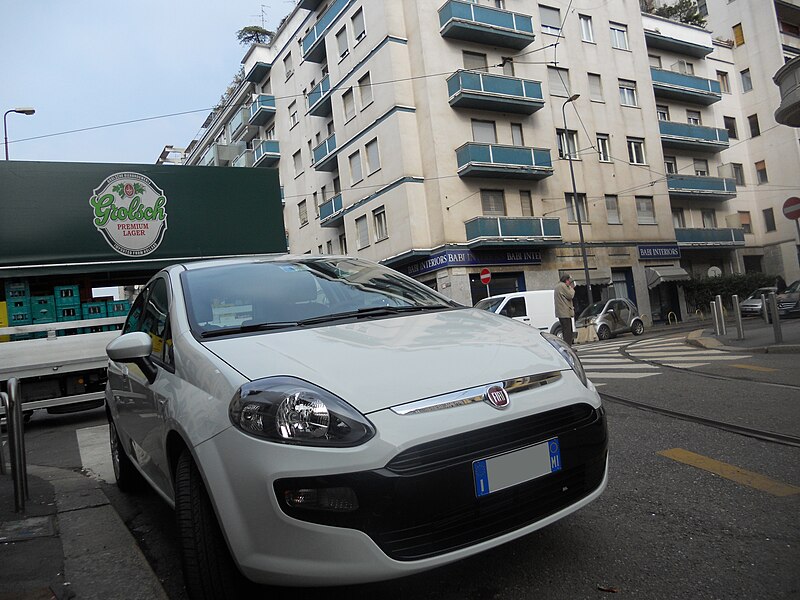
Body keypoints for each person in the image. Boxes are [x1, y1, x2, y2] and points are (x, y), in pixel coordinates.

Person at [554, 273, 576, 346]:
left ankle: (567, 346)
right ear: (566, 280)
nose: (569, 282)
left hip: (560, 312)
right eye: (569, 281)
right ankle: (568, 347)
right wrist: (571, 288)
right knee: (568, 331)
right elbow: (570, 295)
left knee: (564, 330)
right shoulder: (563, 286)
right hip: (565, 312)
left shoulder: (557, 286)